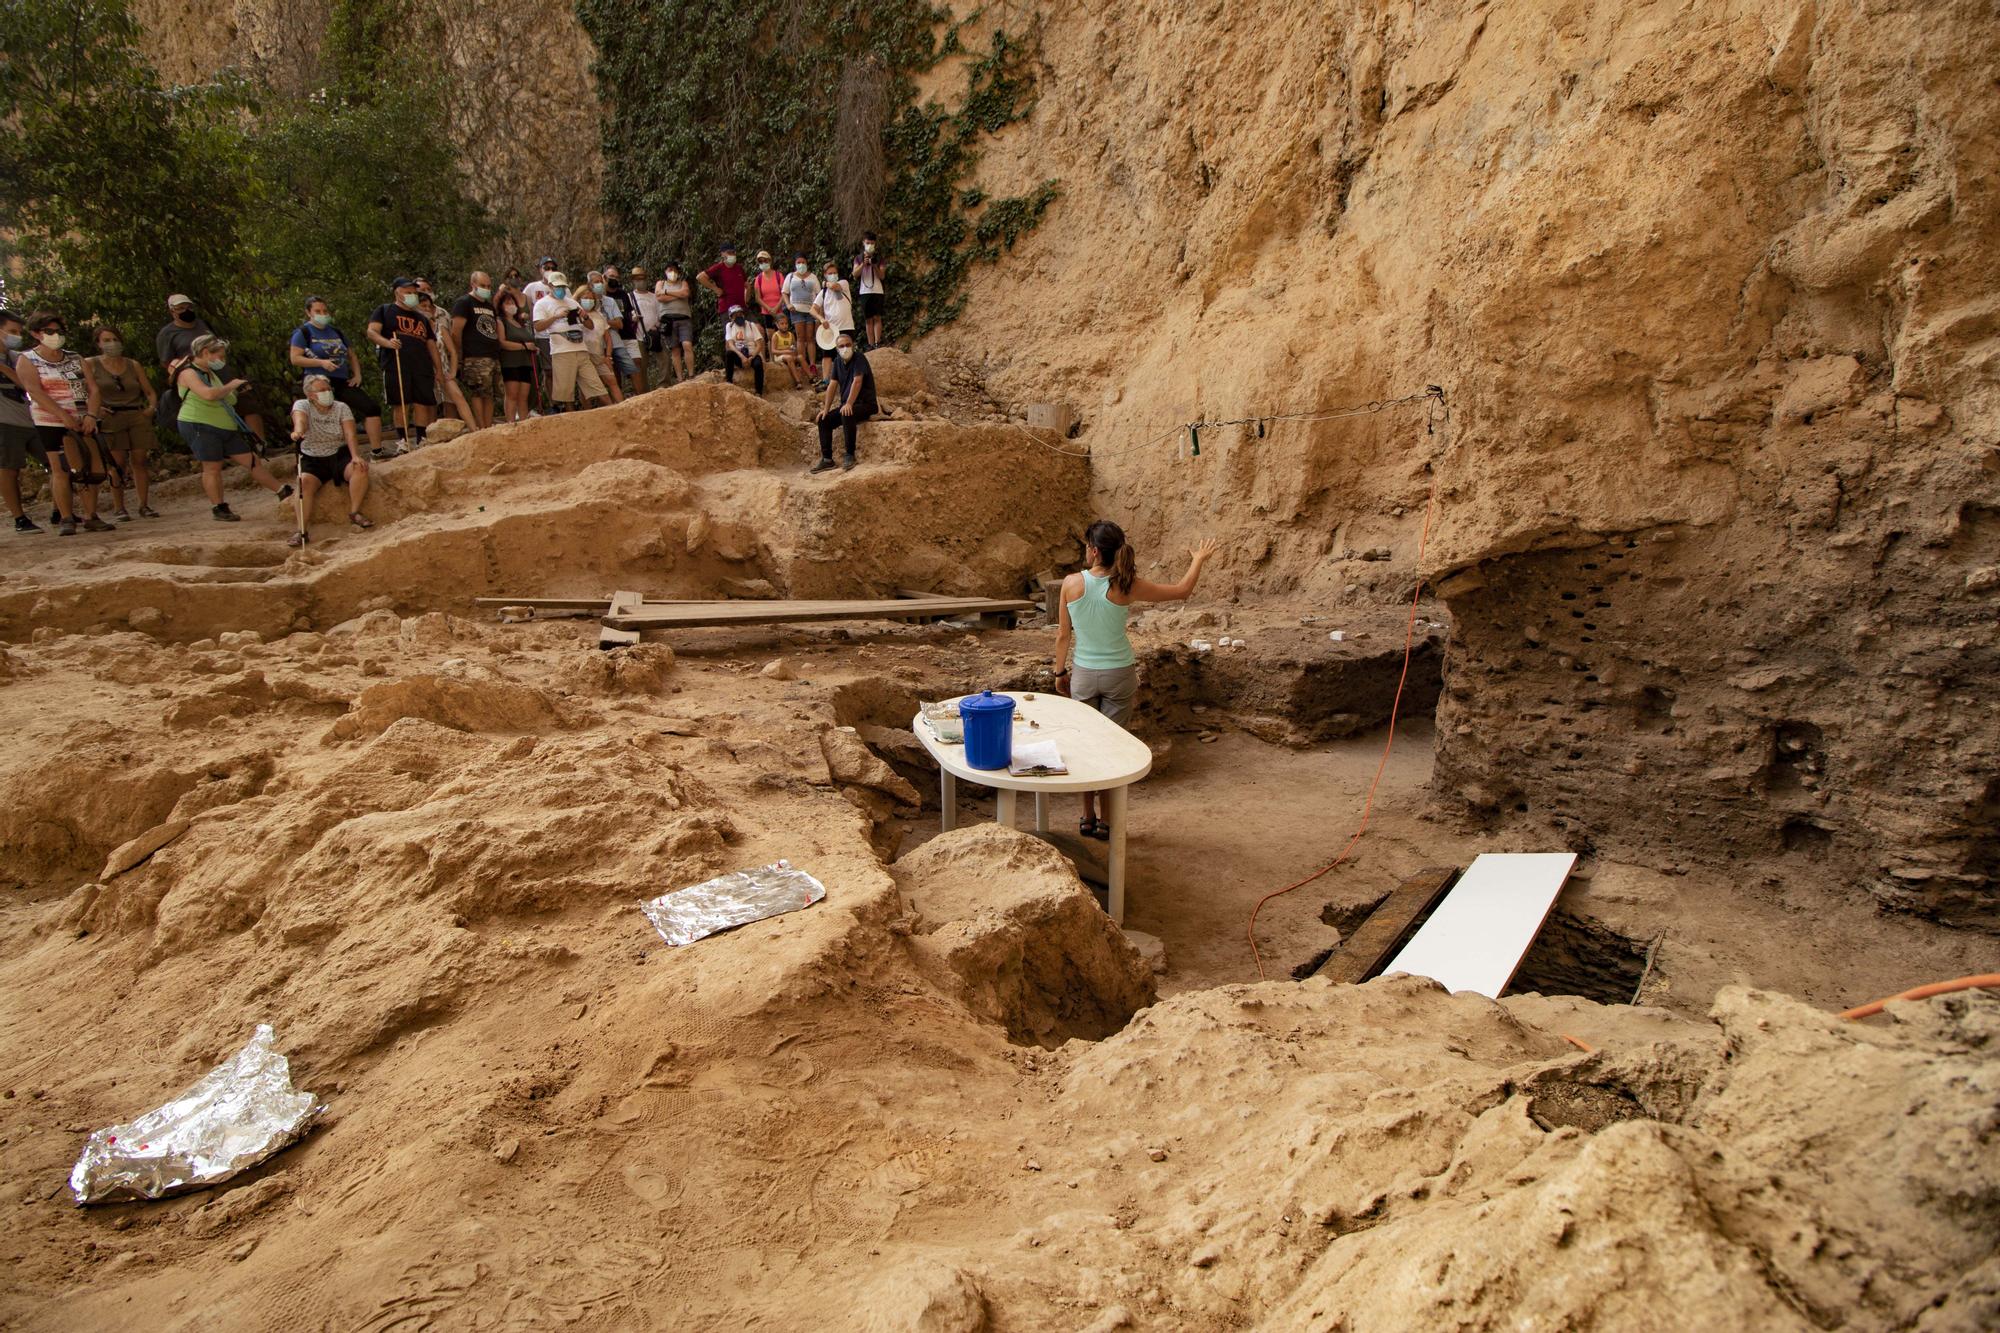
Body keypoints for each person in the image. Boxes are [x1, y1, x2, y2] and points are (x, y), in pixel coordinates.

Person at [1052, 523, 1219, 838]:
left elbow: (1063, 635)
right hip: (1120, 675)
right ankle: (1108, 822)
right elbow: (1182, 591)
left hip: (1084, 675)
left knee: (1086, 747)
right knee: (1110, 749)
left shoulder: (1071, 583)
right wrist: (1197, 560)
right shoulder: (1128, 584)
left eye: (1087, 545)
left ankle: (1086, 816)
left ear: (1095, 550)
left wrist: (1060, 672)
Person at [173, 334, 293, 523]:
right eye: (220, 356)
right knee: (212, 466)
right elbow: (209, 394)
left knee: (251, 460)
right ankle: (219, 506)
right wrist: (231, 385)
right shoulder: (188, 373)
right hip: (199, 424)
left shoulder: (211, 374)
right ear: (205, 353)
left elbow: (229, 399)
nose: (222, 360)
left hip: (224, 425)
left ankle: (281, 491)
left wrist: (234, 390)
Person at [16, 311, 111, 534]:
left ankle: (91, 516)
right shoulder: (27, 359)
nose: (55, 335)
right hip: (50, 421)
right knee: (59, 469)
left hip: (83, 419)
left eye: (58, 331)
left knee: (89, 466)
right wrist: (62, 415)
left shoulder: (76, 358)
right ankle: (66, 517)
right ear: (36, 333)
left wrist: (91, 415)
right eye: (49, 331)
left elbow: (93, 389)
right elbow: (34, 391)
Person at [288, 296, 385, 457]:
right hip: (316, 381)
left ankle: (377, 451)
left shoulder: (336, 331)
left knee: (371, 408)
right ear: (308, 312)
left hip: (341, 380)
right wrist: (320, 363)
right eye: (318, 311)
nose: (322, 314)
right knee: (318, 416)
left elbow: (351, 355)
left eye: (325, 311)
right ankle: (313, 455)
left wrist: (357, 375)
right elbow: (295, 358)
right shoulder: (303, 333)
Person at [288, 373, 372, 546]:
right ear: (311, 394)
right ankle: (301, 530)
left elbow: (349, 432)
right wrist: (298, 431)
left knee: (360, 469)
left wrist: (355, 455)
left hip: (338, 453)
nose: (327, 392)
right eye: (322, 390)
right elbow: (300, 420)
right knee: (304, 482)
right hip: (312, 455)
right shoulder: (302, 404)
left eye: (328, 389)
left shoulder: (341, 407)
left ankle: (354, 512)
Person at [87, 325, 159, 520]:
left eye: (115, 339)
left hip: (136, 414)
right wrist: (93, 409)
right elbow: (83, 391)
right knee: (117, 464)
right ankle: (119, 508)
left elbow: (150, 391)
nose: (112, 344)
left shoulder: (133, 365)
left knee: (140, 461)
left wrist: (151, 408)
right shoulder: (90, 364)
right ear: (98, 344)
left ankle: (144, 505)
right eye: (107, 340)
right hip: (111, 417)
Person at [368, 277, 441, 449]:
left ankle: (421, 438)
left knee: (421, 401)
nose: (412, 296)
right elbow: (372, 332)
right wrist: (387, 343)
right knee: (400, 402)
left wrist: (438, 369)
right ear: (397, 292)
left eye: (414, 293)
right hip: (396, 363)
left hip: (421, 364)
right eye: (408, 292)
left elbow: (431, 345)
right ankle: (403, 440)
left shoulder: (421, 318)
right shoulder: (385, 310)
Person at [1, 311, 49, 533]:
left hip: (31, 419)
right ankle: (20, 518)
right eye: (12, 332)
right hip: (5, 422)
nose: (16, 336)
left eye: (18, 332)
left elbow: (28, 385)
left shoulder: (17, 357)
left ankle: (62, 511)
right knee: (9, 469)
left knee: (56, 463)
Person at [534, 271, 609, 410]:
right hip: (561, 350)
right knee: (566, 393)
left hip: (580, 347)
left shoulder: (572, 302)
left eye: (563, 287)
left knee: (596, 386)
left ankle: (613, 411)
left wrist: (585, 317)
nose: (560, 290)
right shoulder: (542, 304)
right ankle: (571, 420)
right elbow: (538, 326)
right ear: (550, 286)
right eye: (558, 287)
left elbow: (590, 326)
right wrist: (555, 317)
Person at [810, 332, 874, 474]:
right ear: (837, 349)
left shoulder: (859, 358)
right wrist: (825, 409)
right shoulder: (838, 361)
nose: (845, 348)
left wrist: (849, 403)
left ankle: (850, 454)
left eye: (848, 345)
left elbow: (857, 381)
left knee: (847, 413)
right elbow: (832, 385)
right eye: (841, 346)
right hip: (848, 405)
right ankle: (827, 459)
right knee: (824, 419)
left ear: (853, 345)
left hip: (865, 404)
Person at [450, 271, 502, 430]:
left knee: (491, 394)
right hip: (474, 356)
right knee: (479, 393)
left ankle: (488, 425)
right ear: (473, 285)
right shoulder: (464, 302)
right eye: (482, 286)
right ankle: (481, 427)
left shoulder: (489, 306)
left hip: (492, 355)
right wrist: (459, 355)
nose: (486, 289)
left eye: (488, 286)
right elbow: (456, 331)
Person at [576, 285, 623, 404]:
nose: (589, 301)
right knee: (586, 388)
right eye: (586, 298)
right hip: (584, 354)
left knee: (611, 380)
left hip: (599, 354)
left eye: (591, 299)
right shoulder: (575, 316)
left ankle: (622, 407)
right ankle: (587, 414)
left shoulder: (599, 315)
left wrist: (608, 356)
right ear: (579, 298)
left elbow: (607, 338)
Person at [495, 291, 537, 423]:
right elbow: (502, 342)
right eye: (507, 303)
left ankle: (523, 423)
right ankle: (510, 423)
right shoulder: (500, 321)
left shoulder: (521, 323)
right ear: (501, 306)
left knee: (523, 397)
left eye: (513, 302)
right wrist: (523, 346)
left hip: (525, 362)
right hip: (510, 363)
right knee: (512, 395)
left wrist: (533, 347)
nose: (511, 305)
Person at [812, 263, 856, 383]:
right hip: (831, 329)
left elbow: (835, 287)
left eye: (834, 273)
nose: (833, 275)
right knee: (827, 355)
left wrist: (825, 283)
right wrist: (821, 319)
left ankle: (849, 379)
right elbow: (813, 309)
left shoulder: (843, 283)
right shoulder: (823, 293)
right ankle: (826, 380)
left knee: (847, 353)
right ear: (825, 275)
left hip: (846, 326)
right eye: (829, 274)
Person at [782, 255, 821, 384]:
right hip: (796, 311)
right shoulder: (790, 276)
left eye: (803, 262)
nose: (801, 264)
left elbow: (819, 294)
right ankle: (802, 363)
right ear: (795, 264)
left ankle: (812, 364)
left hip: (810, 310)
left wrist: (818, 312)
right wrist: (788, 305)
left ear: (807, 263)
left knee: (810, 337)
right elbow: (784, 292)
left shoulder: (813, 277)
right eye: (798, 262)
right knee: (800, 337)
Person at [656, 263, 695, 383]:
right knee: (675, 349)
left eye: (674, 270)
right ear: (665, 271)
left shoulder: (683, 283)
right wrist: (678, 295)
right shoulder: (661, 283)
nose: (672, 272)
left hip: (684, 318)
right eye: (669, 269)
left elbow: (685, 294)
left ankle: (691, 374)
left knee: (687, 345)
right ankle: (680, 378)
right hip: (668, 319)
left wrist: (666, 292)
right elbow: (659, 297)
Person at [154, 294, 211, 374]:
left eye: (189, 307)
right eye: (181, 308)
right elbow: (166, 363)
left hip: (219, 371)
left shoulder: (203, 323)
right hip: (194, 377)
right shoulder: (166, 334)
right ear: (172, 311)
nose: (186, 311)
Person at [852, 233, 887, 348]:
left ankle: (877, 342)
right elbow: (854, 274)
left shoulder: (880, 258)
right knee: (868, 319)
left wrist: (875, 265)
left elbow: (882, 276)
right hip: (864, 292)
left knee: (877, 317)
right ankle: (870, 344)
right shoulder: (858, 258)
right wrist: (863, 264)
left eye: (872, 243)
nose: (870, 245)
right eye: (868, 243)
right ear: (863, 243)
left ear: (875, 244)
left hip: (877, 291)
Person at [629, 263, 660, 391]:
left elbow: (660, 313)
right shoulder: (629, 297)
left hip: (655, 332)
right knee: (641, 365)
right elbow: (627, 315)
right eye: (637, 279)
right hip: (639, 335)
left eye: (642, 278)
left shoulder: (653, 296)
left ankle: (664, 385)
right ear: (633, 281)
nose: (640, 281)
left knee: (664, 359)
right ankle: (644, 392)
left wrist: (657, 325)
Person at [721, 306, 765, 394]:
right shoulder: (729, 326)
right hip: (739, 355)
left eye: (740, 314)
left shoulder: (751, 325)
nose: (738, 316)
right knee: (729, 354)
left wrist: (751, 357)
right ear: (731, 317)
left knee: (758, 365)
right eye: (735, 315)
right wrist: (742, 357)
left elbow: (759, 344)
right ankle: (729, 382)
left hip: (752, 354)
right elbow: (730, 344)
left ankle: (759, 391)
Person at [697, 243, 747, 318]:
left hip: (742, 307)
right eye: (729, 253)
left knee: (758, 328)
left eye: (733, 253)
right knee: (733, 329)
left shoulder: (739, 268)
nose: (732, 255)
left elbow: (746, 285)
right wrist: (715, 288)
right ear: (722, 254)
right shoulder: (718, 268)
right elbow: (700, 277)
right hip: (727, 308)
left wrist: (746, 299)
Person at [751, 250, 785, 336]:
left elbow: (784, 293)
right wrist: (769, 309)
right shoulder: (758, 279)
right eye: (760, 261)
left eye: (765, 260)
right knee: (770, 336)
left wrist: (776, 308)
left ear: (770, 261)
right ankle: (771, 350)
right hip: (767, 312)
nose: (763, 263)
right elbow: (757, 298)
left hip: (779, 310)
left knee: (782, 334)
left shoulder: (778, 276)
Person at [770, 316, 807, 389]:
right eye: (782, 324)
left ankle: (811, 377)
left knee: (800, 357)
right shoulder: (776, 336)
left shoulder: (791, 335)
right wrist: (786, 351)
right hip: (779, 357)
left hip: (790, 355)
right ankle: (798, 381)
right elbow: (773, 351)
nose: (784, 326)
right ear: (777, 325)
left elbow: (794, 347)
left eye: (786, 323)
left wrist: (793, 350)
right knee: (789, 357)